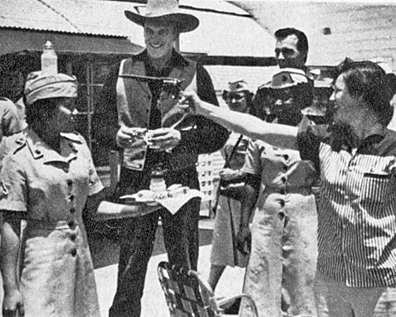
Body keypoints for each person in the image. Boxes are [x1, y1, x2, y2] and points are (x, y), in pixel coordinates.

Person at [182, 59, 396, 317]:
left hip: (380, 284)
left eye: (337, 91)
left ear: (360, 95)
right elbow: (259, 129)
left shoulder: (395, 150)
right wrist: (203, 108)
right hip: (330, 284)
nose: (331, 98)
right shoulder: (325, 141)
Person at [93, 0, 229, 316]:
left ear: (175, 33)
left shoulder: (196, 74)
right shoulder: (121, 70)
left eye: (162, 31)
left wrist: (182, 138)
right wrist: (116, 136)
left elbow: (218, 130)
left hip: (181, 181)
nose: (155, 38)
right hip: (134, 180)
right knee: (130, 266)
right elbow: (100, 123)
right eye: (149, 30)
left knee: (184, 268)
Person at [0, 72, 104, 317]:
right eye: (69, 106)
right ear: (44, 110)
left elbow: (92, 207)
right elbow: (10, 225)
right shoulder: (18, 156)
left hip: (80, 261)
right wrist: (10, 288)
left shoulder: (78, 146)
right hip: (41, 262)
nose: (76, 112)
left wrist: (142, 207)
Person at [234, 69, 318, 317]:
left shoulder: (314, 134)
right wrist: (244, 224)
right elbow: (251, 178)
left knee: (302, 275)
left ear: (302, 98)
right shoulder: (259, 133)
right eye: (275, 96)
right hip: (267, 214)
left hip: (304, 211)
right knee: (263, 273)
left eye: (288, 96)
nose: (280, 102)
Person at [208, 80, 258, 292]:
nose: (233, 101)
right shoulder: (228, 126)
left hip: (247, 193)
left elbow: (259, 165)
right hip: (227, 193)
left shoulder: (256, 125)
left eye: (239, 96)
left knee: (248, 244)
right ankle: (208, 290)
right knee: (220, 245)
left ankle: (250, 294)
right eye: (229, 97)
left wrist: (237, 173)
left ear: (249, 98)